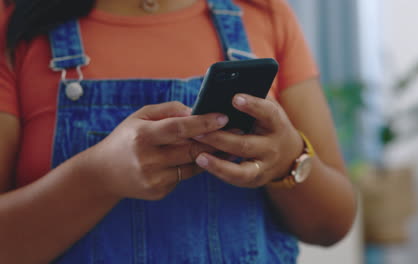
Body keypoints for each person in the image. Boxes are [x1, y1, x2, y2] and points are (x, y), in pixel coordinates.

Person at [0, 0, 357, 263]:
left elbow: (332, 225)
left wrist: (287, 160)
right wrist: (96, 178)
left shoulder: (265, 14)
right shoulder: (13, 26)